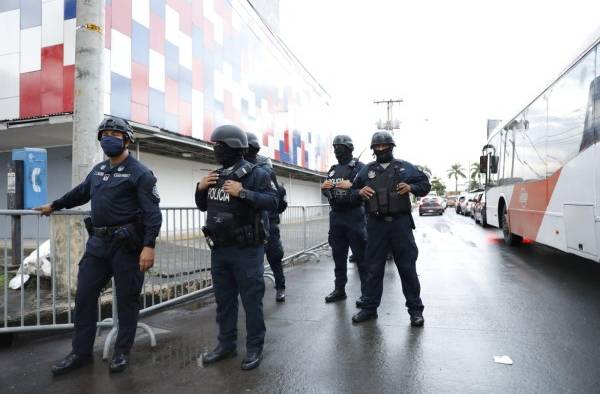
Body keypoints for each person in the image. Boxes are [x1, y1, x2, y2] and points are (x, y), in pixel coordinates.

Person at [36, 116, 162, 375]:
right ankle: (80, 353)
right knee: (84, 298)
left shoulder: (140, 173)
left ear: (127, 140)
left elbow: (152, 213)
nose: (110, 139)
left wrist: (149, 246)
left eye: (116, 135)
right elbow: (80, 193)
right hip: (98, 244)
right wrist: (55, 205)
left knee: (127, 300)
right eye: (105, 134)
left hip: (127, 246)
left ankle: (121, 352)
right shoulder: (98, 170)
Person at [196, 125, 278, 370]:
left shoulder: (257, 174)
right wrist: (200, 188)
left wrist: (243, 192)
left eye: (218, 146)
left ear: (233, 146)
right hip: (220, 249)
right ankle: (226, 345)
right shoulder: (216, 175)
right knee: (224, 300)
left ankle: (254, 348)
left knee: (251, 301)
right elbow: (203, 205)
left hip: (247, 249)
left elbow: (274, 202)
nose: (215, 150)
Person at [351, 131, 431, 326]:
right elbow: (352, 191)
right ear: (373, 150)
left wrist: (411, 188)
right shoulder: (366, 171)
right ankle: (369, 308)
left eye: (384, 146)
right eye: (377, 147)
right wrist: (359, 192)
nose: (380, 149)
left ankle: (415, 310)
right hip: (376, 225)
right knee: (373, 269)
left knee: (407, 268)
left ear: (391, 147)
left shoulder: (405, 168)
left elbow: (424, 184)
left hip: (400, 224)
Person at [321, 135, 368, 306]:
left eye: (340, 147)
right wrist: (325, 190)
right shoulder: (333, 170)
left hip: (354, 216)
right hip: (336, 217)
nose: (337, 151)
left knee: (362, 259)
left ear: (349, 149)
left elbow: (367, 190)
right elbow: (327, 190)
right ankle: (339, 289)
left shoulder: (360, 168)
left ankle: (366, 294)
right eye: (335, 147)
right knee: (338, 257)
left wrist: (353, 188)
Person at [244, 132, 288, 302]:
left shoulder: (261, 172)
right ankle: (277, 288)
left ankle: (278, 288)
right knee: (267, 259)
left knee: (270, 258)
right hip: (259, 224)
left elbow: (280, 201)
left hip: (266, 224)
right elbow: (281, 203)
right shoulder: (255, 171)